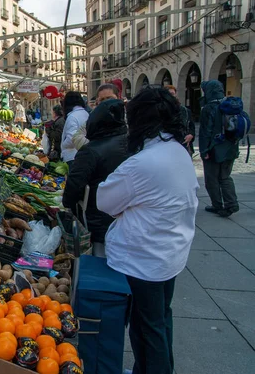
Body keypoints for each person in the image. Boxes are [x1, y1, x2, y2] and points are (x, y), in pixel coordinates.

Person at [97, 87, 199, 374]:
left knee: (147, 328)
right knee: (160, 319)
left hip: (146, 258)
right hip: (170, 253)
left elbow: (105, 199)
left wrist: (126, 207)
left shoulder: (143, 163)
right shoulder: (177, 151)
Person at [63, 98, 129, 257]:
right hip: (126, 215)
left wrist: (67, 204)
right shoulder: (129, 143)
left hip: (98, 219)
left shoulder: (90, 151)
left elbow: (73, 186)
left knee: (100, 259)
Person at [199, 80, 240, 217]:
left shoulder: (209, 108)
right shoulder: (230, 105)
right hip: (231, 149)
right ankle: (231, 203)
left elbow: (205, 132)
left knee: (212, 179)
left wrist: (204, 151)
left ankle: (217, 205)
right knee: (225, 177)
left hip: (214, 150)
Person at [72, 83, 120, 152]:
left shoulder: (128, 116)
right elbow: (76, 137)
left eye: (110, 98)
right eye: (102, 99)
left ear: (118, 98)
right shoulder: (93, 119)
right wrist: (96, 149)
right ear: (97, 102)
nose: (106, 101)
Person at [61, 91, 89, 168]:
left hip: (72, 156)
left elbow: (71, 138)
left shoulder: (72, 117)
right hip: (83, 154)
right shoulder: (86, 114)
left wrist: (63, 145)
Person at [165, 84, 195, 155]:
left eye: (172, 94)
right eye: (168, 94)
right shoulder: (160, 111)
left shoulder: (185, 110)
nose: (171, 96)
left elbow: (191, 126)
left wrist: (191, 135)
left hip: (183, 145)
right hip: (167, 146)